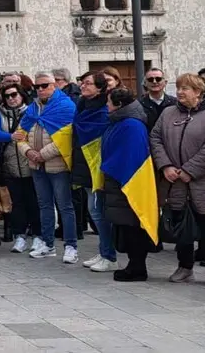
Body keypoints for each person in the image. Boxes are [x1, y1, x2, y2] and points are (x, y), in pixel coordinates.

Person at [150, 72, 205, 287]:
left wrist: (189, 170)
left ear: (198, 92)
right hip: (173, 181)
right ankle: (185, 267)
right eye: (178, 88)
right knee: (180, 225)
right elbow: (155, 138)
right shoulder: (168, 113)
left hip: (203, 182)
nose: (180, 92)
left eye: (185, 88)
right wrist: (166, 166)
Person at [13, 73, 78, 262]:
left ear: (54, 85)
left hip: (57, 166)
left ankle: (71, 246)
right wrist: (28, 152)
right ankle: (48, 244)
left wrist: (42, 154)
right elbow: (20, 135)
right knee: (44, 205)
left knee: (65, 206)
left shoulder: (66, 106)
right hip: (36, 166)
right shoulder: (32, 109)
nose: (40, 89)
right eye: (37, 86)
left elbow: (66, 138)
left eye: (44, 85)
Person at [100, 88, 158, 282]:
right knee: (125, 226)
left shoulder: (132, 125)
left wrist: (110, 167)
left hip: (128, 182)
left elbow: (132, 156)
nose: (106, 105)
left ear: (119, 105)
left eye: (109, 102)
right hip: (118, 180)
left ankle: (137, 267)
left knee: (133, 226)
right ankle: (133, 265)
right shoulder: (120, 121)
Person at [72, 72, 114, 272]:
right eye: (82, 83)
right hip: (84, 164)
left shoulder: (104, 109)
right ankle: (104, 251)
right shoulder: (82, 105)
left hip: (98, 166)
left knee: (98, 211)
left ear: (100, 88)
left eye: (88, 83)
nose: (83, 86)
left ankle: (110, 255)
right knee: (95, 210)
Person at [0, 83, 38, 254]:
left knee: (34, 202)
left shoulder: (31, 111)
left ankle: (38, 236)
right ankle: (20, 236)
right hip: (10, 165)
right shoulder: (1, 114)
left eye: (14, 94)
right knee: (16, 203)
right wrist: (11, 136)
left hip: (30, 163)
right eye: (7, 96)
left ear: (21, 95)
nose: (11, 98)